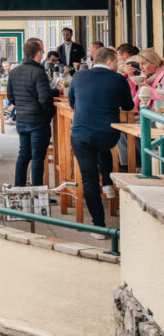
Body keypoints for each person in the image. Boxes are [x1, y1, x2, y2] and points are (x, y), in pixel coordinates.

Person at [69, 47, 134, 233]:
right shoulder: (119, 79)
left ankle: (99, 226)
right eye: (116, 61)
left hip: (80, 135)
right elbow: (128, 106)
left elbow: (73, 103)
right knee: (102, 148)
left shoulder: (79, 76)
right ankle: (106, 182)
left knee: (89, 179)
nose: (117, 65)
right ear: (109, 62)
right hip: (108, 135)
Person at [7, 38, 56, 187]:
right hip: (38, 121)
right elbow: (45, 98)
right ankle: (38, 194)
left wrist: (21, 106)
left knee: (23, 155)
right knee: (37, 158)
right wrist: (50, 112)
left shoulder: (14, 72)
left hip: (22, 119)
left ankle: (19, 189)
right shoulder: (38, 72)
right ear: (38, 54)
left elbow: (10, 96)